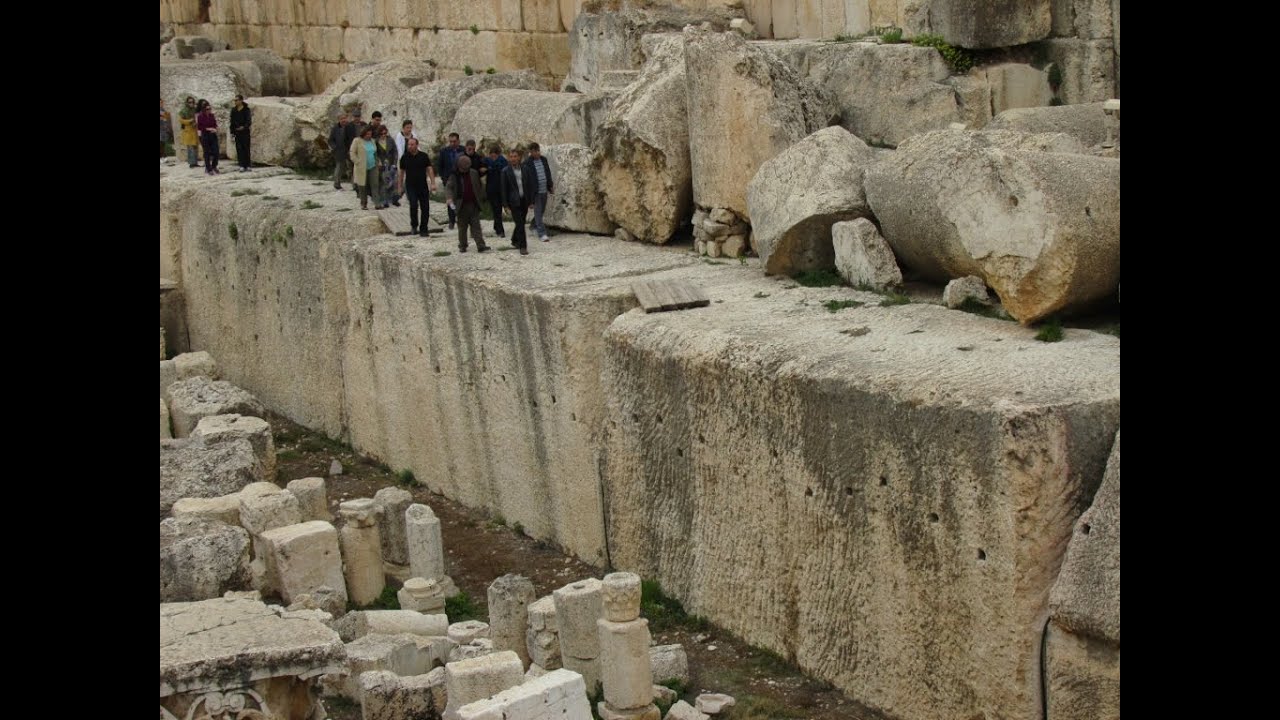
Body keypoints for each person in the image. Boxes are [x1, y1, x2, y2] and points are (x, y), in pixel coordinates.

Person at [446, 155, 489, 253]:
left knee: (476, 226)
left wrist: (483, 197)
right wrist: (449, 198)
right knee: (462, 227)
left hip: (473, 204)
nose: (465, 170)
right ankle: (462, 245)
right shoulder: (454, 175)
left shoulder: (474, 173)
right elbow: (449, 187)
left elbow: (479, 186)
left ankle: (481, 245)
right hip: (461, 205)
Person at [398, 137, 437, 237]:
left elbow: (429, 169)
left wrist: (433, 183)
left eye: (412, 144)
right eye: (408, 144)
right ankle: (414, 225)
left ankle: (424, 228)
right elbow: (401, 173)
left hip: (422, 185)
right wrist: (400, 186)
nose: (410, 146)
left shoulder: (423, 156)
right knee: (413, 205)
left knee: (425, 207)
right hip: (410, 186)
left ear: (416, 145)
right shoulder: (404, 157)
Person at [501, 147, 532, 255]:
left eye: (515, 156)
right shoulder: (505, 171)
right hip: (513, 201)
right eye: (511, 157)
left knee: (521, 222)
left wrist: (531, 200)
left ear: (519, 157)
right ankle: (523, 246)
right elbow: (503, 189)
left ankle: (514, 240)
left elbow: (529, 185)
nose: (513, 159)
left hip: (524, 200)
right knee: (520, 224)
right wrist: (505, 205)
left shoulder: (525, 169)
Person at [526, 142, 554, 242]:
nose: (536, 153)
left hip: (544, 190)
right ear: (530, 152)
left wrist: (550, 186)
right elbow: (527, 180)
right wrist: (529, 198)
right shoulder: (527, 163)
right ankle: (542, 234)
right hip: (535, 192)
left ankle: (533, 225)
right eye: (534, 151)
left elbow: (547, 173)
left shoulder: (543, 159)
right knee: (538, 212)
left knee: (541, 211)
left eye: (537, 151)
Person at [349, 125, 380, 210]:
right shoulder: (357, 141)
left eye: (370, 134)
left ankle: (377, 203)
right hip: (361, 167)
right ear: (363, 134)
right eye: (367, 134)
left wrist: (378, 161)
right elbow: (352, 153)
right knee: (362, 186)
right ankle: (363, 203)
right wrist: (357, 162)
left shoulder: (373, 141)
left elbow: (375, 153)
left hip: (373, 166)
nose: (369, 136)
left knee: (375, 184)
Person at [436, 133, 463, 230]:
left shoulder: (463, 150)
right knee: (450, 200)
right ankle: (452, 220)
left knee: (461, 199)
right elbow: (440, 166)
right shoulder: (444, 151)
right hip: (449, 179)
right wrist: (444, 178)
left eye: (454, 141)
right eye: (450, 141)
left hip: (461, 179)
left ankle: (461, 219)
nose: (452, 143)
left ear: (458, 141)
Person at [483, 145, 509, 239]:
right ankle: (499, 229)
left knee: (497, 210)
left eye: (495, 156)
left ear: (498, 155)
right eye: (492, 155)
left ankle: (498, 228)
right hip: (491, 189)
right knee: (496, 209)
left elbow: (504, 171)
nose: (493, 157)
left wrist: (489, 168)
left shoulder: (503, 162)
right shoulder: (487, 161)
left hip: (501, 189)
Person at [391, 120, 419, 207]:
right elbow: (399, 149)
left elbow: (417, 146)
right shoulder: (399, 136)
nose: (409, 129)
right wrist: (403, 160)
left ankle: (407, 197)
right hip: (404, 160)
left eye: (410, 127)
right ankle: (399, 196)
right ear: (403, 128)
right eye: (407, 127)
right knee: (403, 179)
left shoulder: (413, 135)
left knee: (411, 179)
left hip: (413, 160)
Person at [375, 125, 398, 210]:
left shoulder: (390, 140)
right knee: (384, 183)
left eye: (385, 133)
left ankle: (393, 199)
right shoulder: (376, 141)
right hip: (382, 165)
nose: (383, 135)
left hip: (391, 163)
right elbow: (375, 153)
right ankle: (385, 201)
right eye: (382, 133)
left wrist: (395, 163)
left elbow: (395, 151)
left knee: (393, 182)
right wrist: (378, 161)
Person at [329, 113, 354, 190]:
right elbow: (330, 140)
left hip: (350, 150)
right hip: (339, 151)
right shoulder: (335, 128)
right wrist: (335, 147)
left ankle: (354, 184)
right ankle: (337, 183)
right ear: (339, 120)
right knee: (339, 167)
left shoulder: (350, 127)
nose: (343, 120)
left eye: (344, 118)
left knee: (353, 167)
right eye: (342, 118)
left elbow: (353, 138)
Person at [196, 99, 220, 175]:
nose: (208, 110)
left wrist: (215, 129)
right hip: (205, 135)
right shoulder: (200, 116)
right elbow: (200, 127)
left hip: (213, 135)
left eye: (209, 109)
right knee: (206, 152)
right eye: (207, 109)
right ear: (204, 109)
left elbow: (215, 124)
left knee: (216, 152)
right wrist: (208, 129)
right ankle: (208, 168)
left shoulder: (212, 115)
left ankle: (214, 166)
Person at [230, 95, 252, 172]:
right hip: (237, 132)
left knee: (246, 148)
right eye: (235, 100)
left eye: (237, 100)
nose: (235, 102)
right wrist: (232, 132)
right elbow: (232, 121)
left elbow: (249, 121)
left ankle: (248, 165)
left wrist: (244, 127)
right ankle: (241, 165)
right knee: (239, 149)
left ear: (241, 100)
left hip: (245, 132)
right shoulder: (233, 110)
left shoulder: (246, 109)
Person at [178, 96, 199, 168]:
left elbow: (197, 118)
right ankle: (191, 163)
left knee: (195, 146)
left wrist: (196, 122)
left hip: (194, 130)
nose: (191, 103)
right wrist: (190, 121)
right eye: (190, 102)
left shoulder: (195, 110)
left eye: (192, 102)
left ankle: (195, 162)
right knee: (190, 147)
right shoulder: (183, 111)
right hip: (188, 130)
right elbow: (181, 120)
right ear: (187, 102)